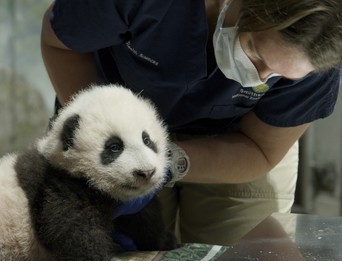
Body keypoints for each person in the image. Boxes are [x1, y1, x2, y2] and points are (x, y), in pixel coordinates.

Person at [41, 0, 342, 246]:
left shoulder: (321, 57)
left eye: (280, 77)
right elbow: (61, 44)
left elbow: (261, 149)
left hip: (237, 143)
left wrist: (169, 161)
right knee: (101, 255)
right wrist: (103, 135)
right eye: (256, 52)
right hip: (116, 122)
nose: (259, 78)